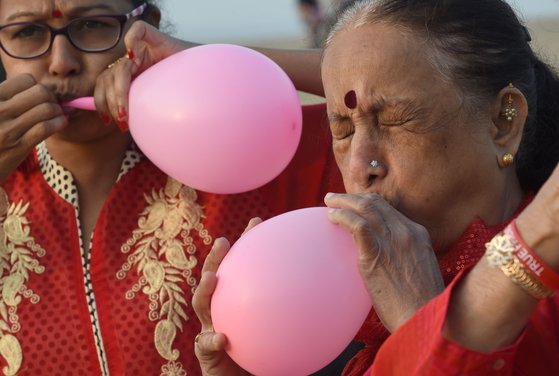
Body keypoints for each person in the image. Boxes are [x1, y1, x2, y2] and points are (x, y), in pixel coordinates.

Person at [99, 0, 559, 374]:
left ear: (504, 120)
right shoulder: (352, 302)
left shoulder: (543, 276)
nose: (360, 165)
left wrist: (420, 324)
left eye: (396, 120)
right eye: (341, 129)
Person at [0, 0, 343, 374]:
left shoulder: (242, 152)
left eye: (91, 25)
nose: (61, 62)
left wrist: (196, 59)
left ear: (146, 27)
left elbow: (388, 89)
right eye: (27, 32)